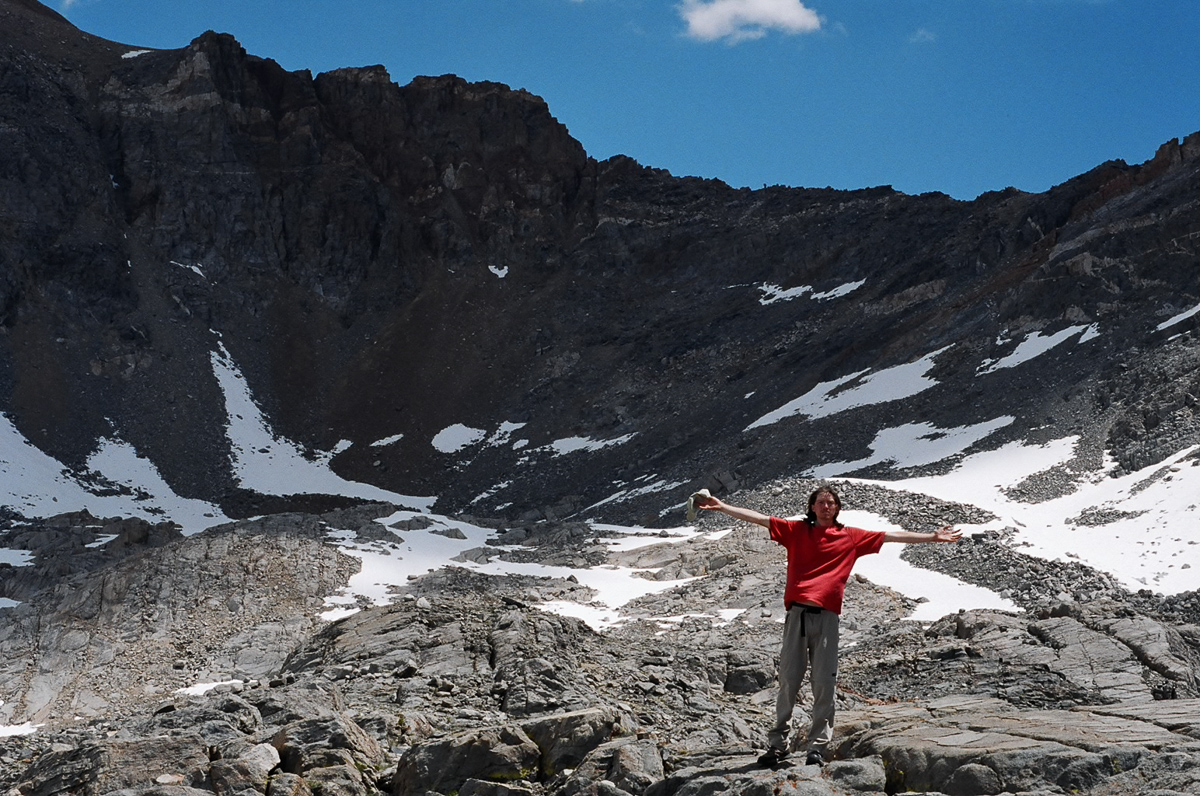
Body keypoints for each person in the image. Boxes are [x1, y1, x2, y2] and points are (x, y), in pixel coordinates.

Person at [694, 485, 962, 768]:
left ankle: (817, 747)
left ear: (837, 508)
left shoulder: (851, 537)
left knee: (824, 683)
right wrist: (723, 507)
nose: (826, 506)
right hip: (797, 615)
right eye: (821, 502)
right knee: (788, 681)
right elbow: (760, 518)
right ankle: (778, 745)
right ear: (812, 507)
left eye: (831, 502)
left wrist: (933, 537)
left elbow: (891, 536)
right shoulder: (796, 531)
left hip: (827, 619)